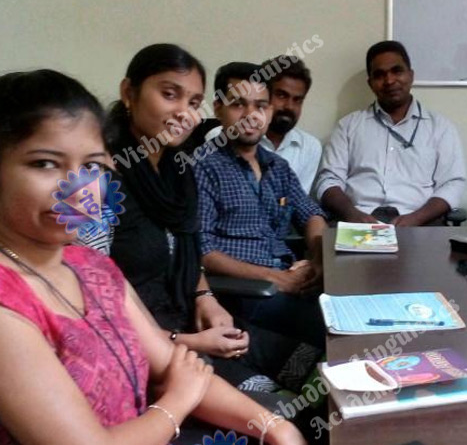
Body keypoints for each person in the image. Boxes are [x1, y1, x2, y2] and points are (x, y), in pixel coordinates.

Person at [0, 69, 304, 445]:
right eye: (45, 163)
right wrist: (177, 400)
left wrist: (277, 428)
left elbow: (169, 363)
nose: (77, 188)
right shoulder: (8, 304)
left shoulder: (91, 267)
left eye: (92, 166)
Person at [104, 45, 322, 407]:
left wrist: (205, 298)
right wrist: (187, 340)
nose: (183, 112)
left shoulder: (177, 171)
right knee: (283, 410)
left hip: (197, 319)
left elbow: (189, 249)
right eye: (169, 94)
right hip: (159, 346)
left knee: (321, 372)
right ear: (129, 93)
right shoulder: (102, 178)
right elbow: (96, 296)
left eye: (193, 102)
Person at [195, 62, 326, 346]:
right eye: (238, 105)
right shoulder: (203, 167)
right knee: (335, 324)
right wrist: (275, 278)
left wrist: (317, 260)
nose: (250, 116)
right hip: (244, 292)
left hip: (287, 280)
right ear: (218, 108)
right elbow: (200, 249)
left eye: (260, 106)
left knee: (357, 299)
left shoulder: (277, 167)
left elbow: (310, 213)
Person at [315, 40, 467, 226]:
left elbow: (452, 184)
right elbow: (328, 181)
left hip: (421, 222)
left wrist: (416, 218)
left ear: (411, 75)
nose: (389, 81)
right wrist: (352, 214)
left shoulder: (440, 128)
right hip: (359, 222)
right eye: (379, 75)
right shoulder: (348, 126)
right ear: (370, 83)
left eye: (397, 71)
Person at [204, 56, 321, 195]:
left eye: (297, 100)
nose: (289, 106)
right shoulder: (220, 141)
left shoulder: (305, 149)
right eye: (281, 95)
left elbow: (299, 203)